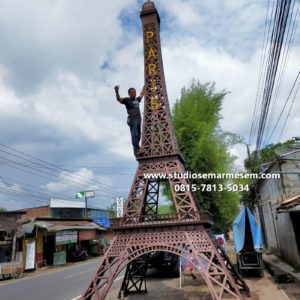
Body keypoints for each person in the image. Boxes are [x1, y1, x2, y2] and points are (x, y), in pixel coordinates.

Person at [114, 85, 145, 157]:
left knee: (138, 136)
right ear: (129, 94)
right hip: (132, 119)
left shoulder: (137, 100)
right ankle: (137, 151)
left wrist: (145, 84)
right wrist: (117, 91)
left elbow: (142, 93)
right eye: (132, 92)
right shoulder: (127, 100)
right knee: (134, 135)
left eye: (134, 92)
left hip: (139, 119)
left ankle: (137, 150)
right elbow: (119, 99)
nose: (134, 93)